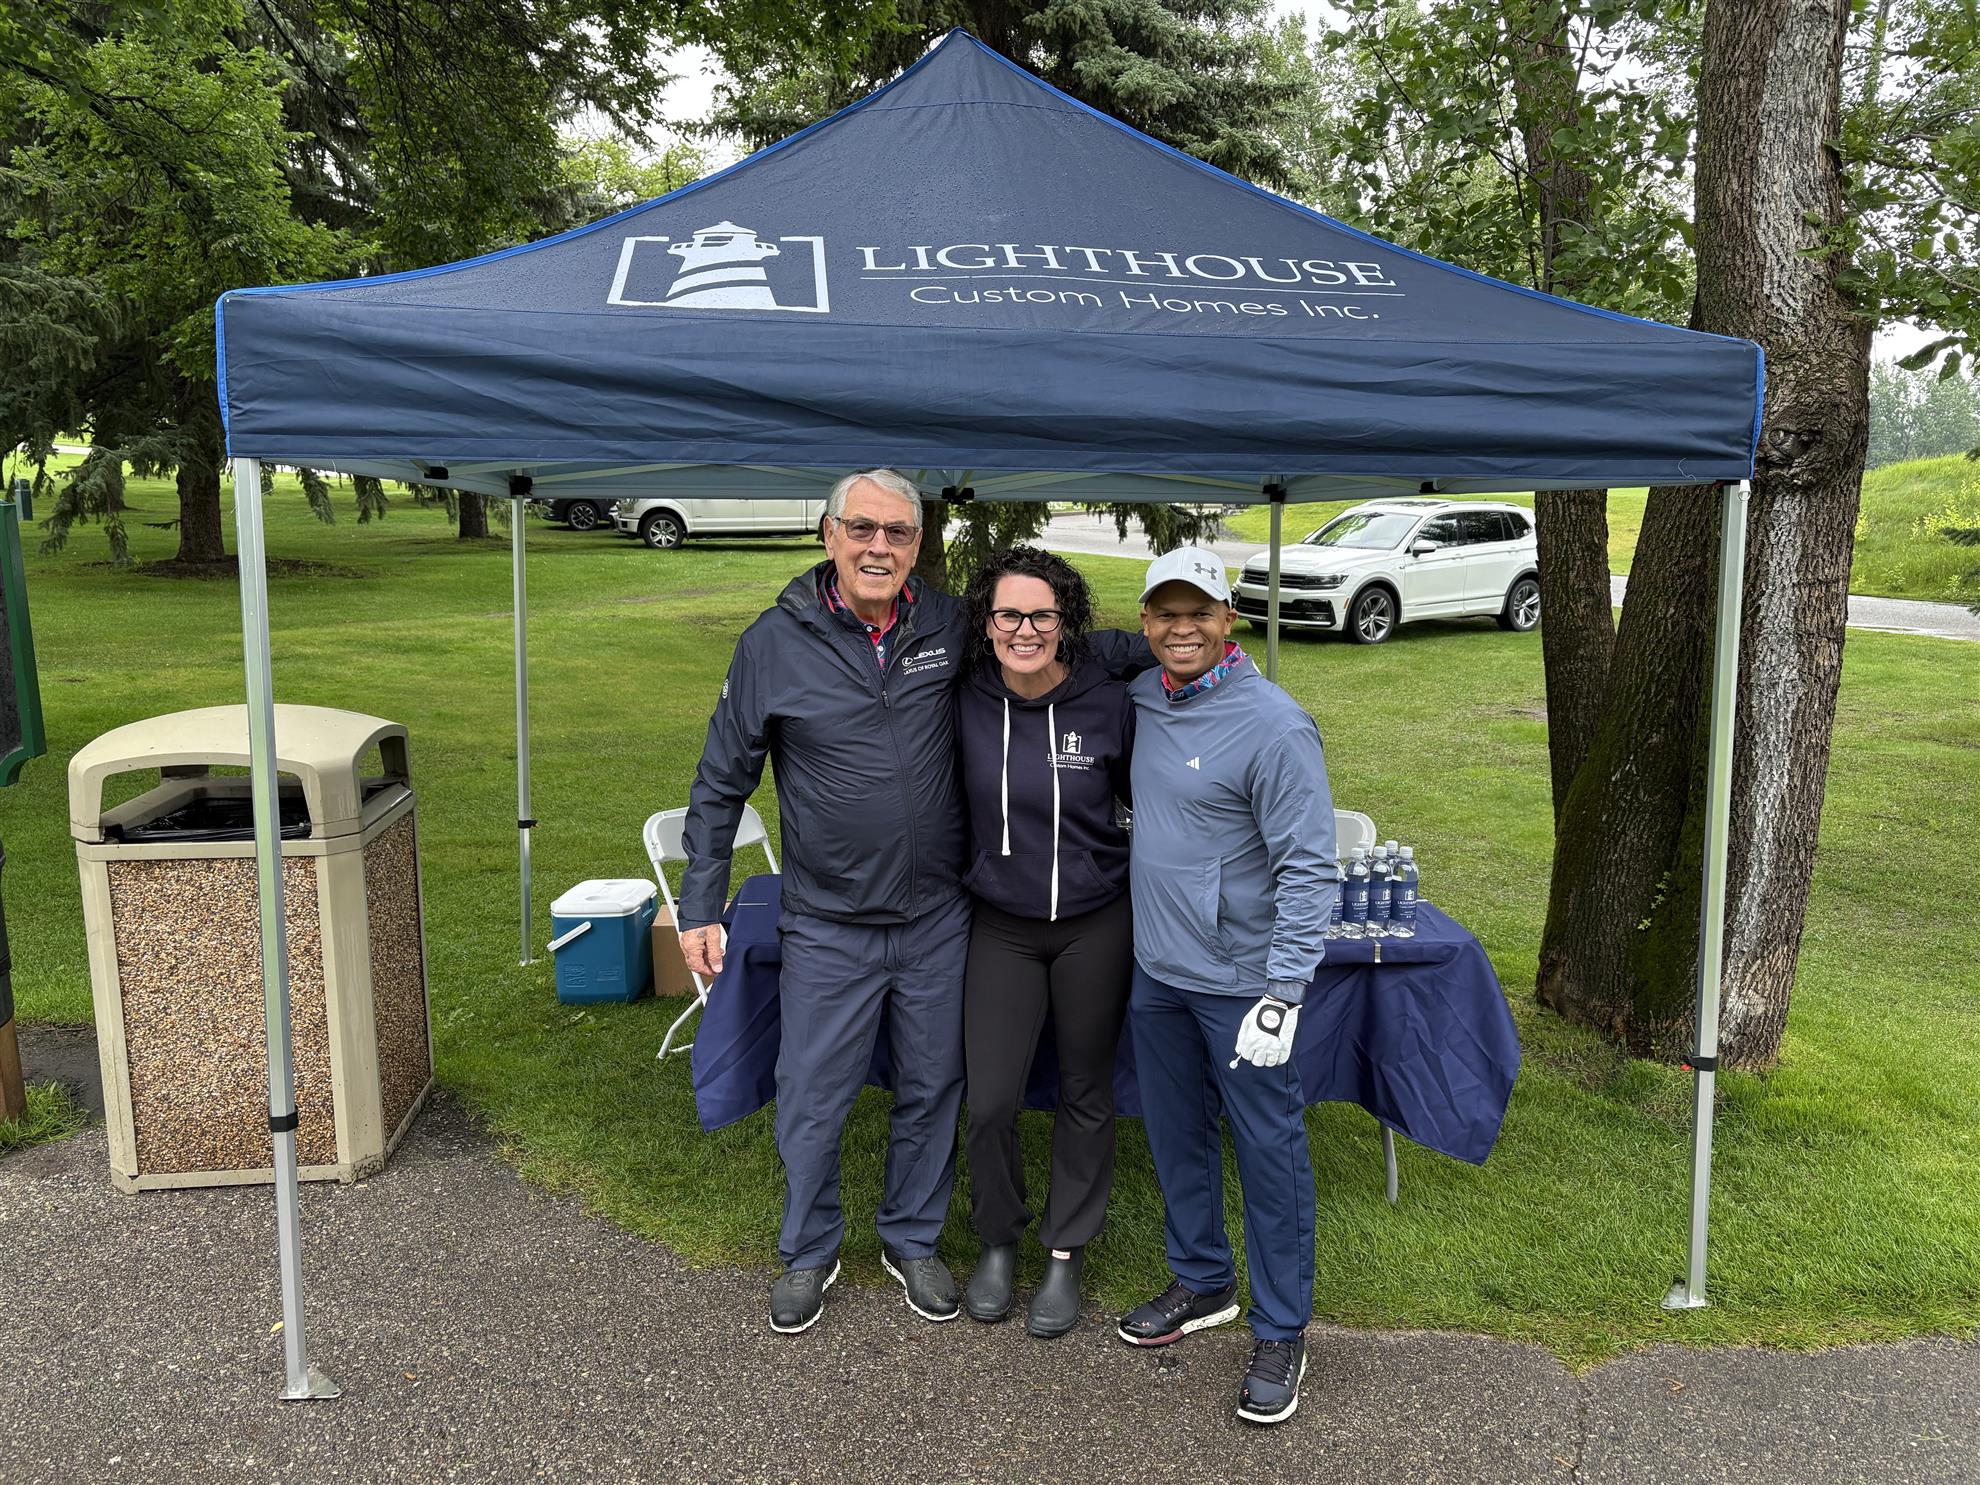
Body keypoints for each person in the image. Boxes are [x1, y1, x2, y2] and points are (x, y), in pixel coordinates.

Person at [677, 468, 972, 1334]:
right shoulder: (772, 643)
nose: (880, 546)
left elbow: (1050, 649)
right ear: (829, 534)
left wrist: (1173, 652)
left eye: (898, 532)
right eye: (862, 528)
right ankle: (809, 1249)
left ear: (918, 544)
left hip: (939, 916)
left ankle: (912, 1237)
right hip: (828, 923)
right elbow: (720, 782)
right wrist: (700, 905)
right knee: (811, 1096)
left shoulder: (949, 625)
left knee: (932, 1086)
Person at [1114, 546, 1339, 1426]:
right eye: (1166, 613)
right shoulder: (1143, 695)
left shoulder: (1275, 724)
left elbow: (1309, 867)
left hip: (1243, 985)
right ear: (1145, 622)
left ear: (1228, 619)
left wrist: (1284, 990)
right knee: (1176, 1137)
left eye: (1199, 612)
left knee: (1269, 1152)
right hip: (1159, 972)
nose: (1183, 628)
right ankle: (1203, 1279)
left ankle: (1282, 1328)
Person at [954, 546, 1136, 1338]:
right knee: (991, 1098)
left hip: (1096, 921)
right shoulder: (961, 696)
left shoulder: (1109, 701)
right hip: (1002, 924)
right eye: (1008, 614)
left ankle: (1066, 1250)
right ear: (985, 621)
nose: (1024, 629)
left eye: (1042, 615)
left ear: (1067, 621)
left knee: (1084, 1091)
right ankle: (998, 1238)